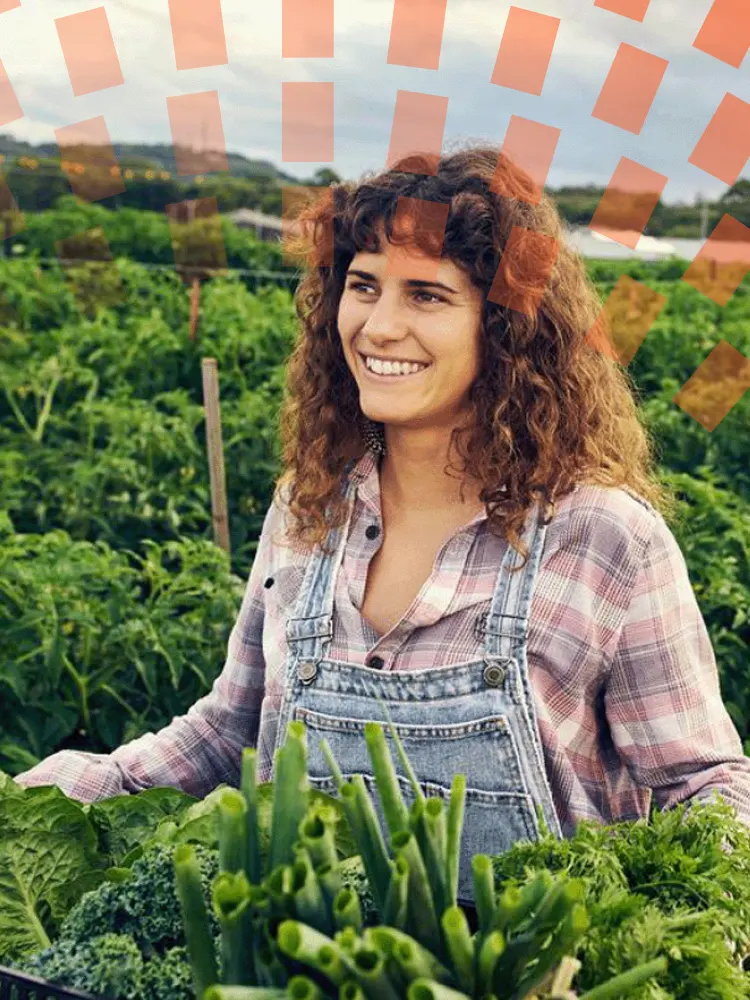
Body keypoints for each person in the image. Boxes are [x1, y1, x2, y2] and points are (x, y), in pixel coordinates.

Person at [15, 142, 750, 901]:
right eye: (363, 285)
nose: (378, 326)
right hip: (302, 972)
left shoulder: (604, 538)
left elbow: (707, 786)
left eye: (427, 295)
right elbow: (228, 732)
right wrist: (50, 795)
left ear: (504, 327)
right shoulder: (310, 508)